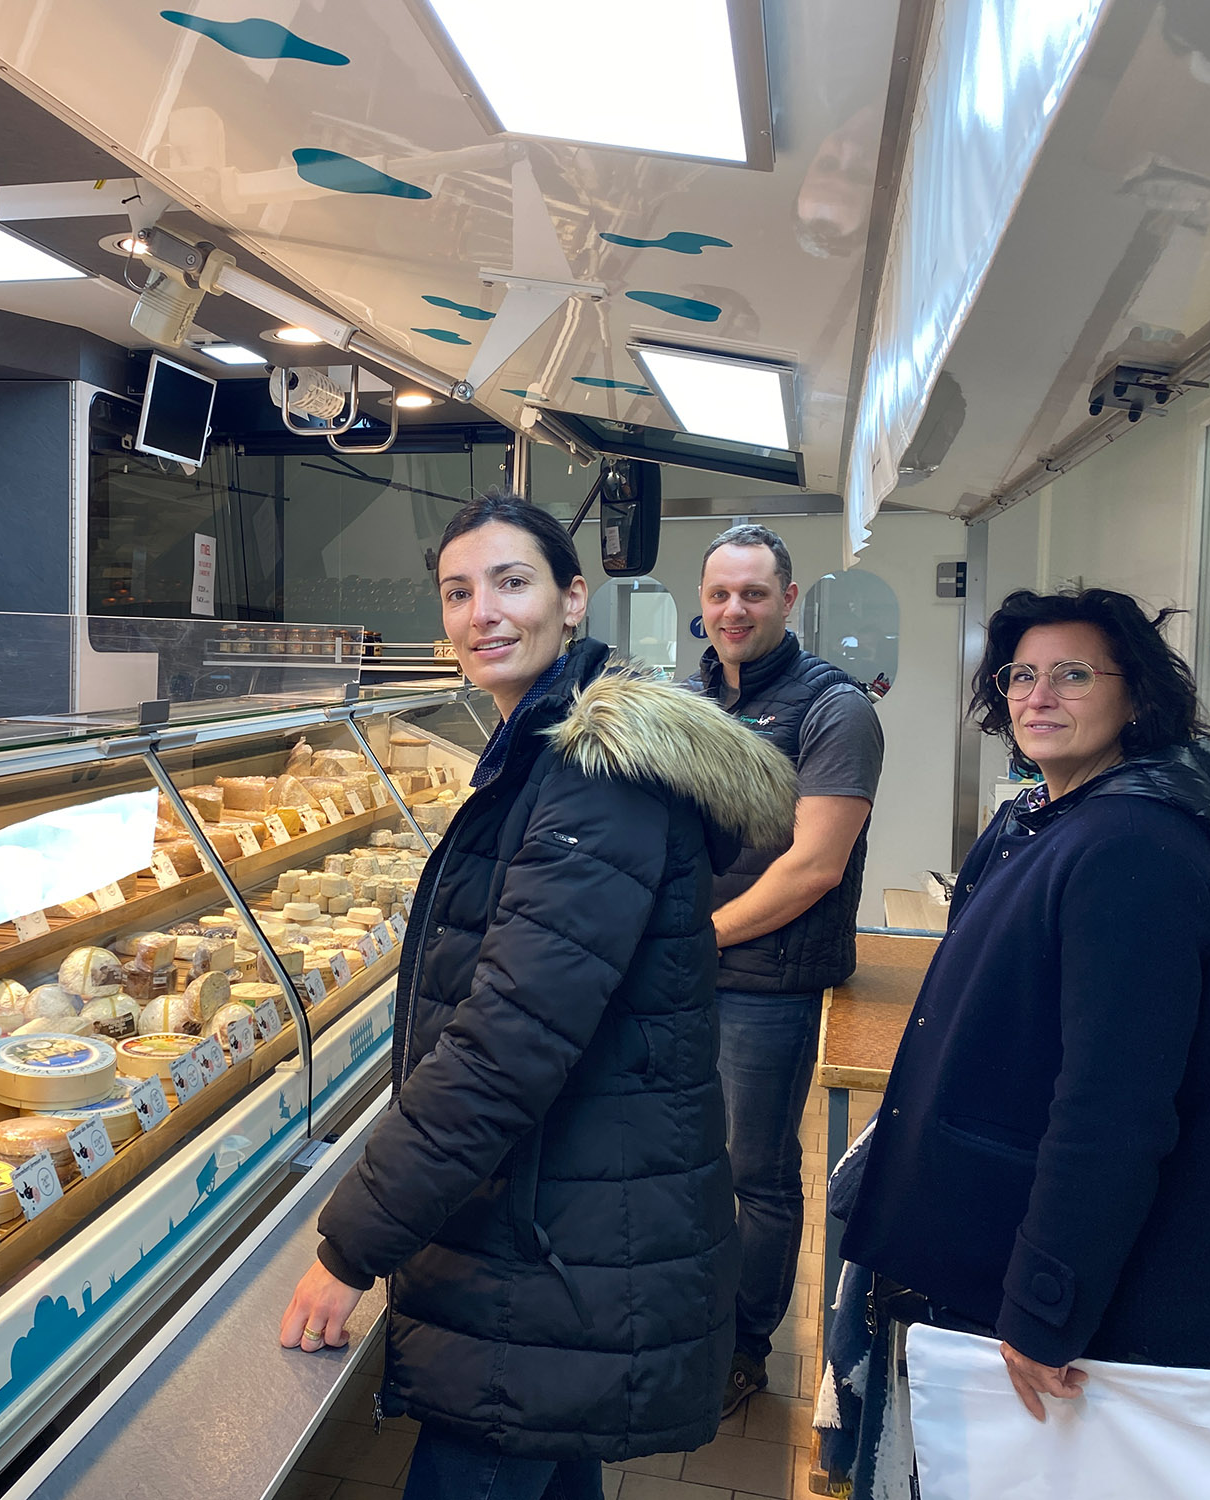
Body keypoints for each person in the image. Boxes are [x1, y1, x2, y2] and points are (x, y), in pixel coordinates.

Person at [278, 492, 799, 1497]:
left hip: (548, 1245)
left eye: (510, 583)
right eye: (457, 591)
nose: (481, 612)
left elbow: (505, 1043)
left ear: (572, 598)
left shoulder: (591, 780)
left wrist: (351, 1250)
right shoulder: (545, 752)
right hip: (567, 1227)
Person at [836, 587, 1210, 1472]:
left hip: (1092, 1313)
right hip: (991, 1240)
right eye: (1020, 676)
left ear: (1136, 697)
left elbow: (1113, 1109)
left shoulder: (1133, 846)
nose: (1037, 696)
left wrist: (1047, 1301)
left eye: (1072, 675)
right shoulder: (1042, 814)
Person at [685, 524, 884, 1415]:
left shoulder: (835, 709)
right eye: (720, 594)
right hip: (687, 972)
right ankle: (691, 1321)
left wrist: (698, 938)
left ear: (789, 600)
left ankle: (743, 1348)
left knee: (753, 1173)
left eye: (754, 594)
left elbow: (814, 867)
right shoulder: (693, 698)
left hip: (767, 982)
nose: (734, 610)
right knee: (686, 1159)